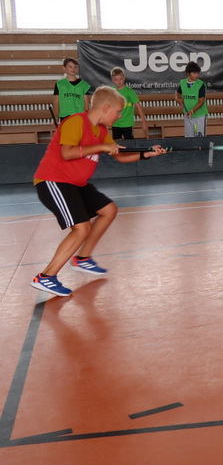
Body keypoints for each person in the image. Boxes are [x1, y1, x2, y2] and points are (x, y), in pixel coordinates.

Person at [31, 86, 168, 297]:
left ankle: (82, 258)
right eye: (118, 111)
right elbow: (67, 153)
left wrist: (146, 154)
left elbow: (119, 155)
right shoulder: (76, 122)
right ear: (105, 108)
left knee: (108, 210)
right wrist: (101, 147)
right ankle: (46, 277)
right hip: (53, 181)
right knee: (81, 228)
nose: (119, 116)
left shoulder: (102, 131)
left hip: (76, 183)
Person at [109, 66, 149, 140]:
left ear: (124, 78)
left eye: (120, 79)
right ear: (112, 80)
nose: (119, 81)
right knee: (117, 143)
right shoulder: (112, 91)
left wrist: (144, 122)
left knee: (129, 143)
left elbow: (138, 107)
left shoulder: (130, 92)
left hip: (127, 124)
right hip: (116, 124)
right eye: (116, 79)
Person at [175, 60, 208, 138]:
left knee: (200, 137)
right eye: (194, 73)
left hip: (200, 115)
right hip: (188, 115)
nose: (197, 75)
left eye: (198, 73)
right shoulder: (182, 83)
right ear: (188, 73)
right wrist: (177, 99)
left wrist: (192, 111)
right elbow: (178, 93)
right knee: (189, 137)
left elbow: (201, 101)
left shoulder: (201, 84)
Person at [52, 57, 92, 121]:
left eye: (75, 67)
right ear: (64, 68)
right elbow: (56, 102)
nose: (73, 69)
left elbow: (86, 103)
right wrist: (56, 118)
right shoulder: (59, 84)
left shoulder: (83, 84)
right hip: (65, 116)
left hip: (79, 116)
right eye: (70, 67)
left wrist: (86, 116)